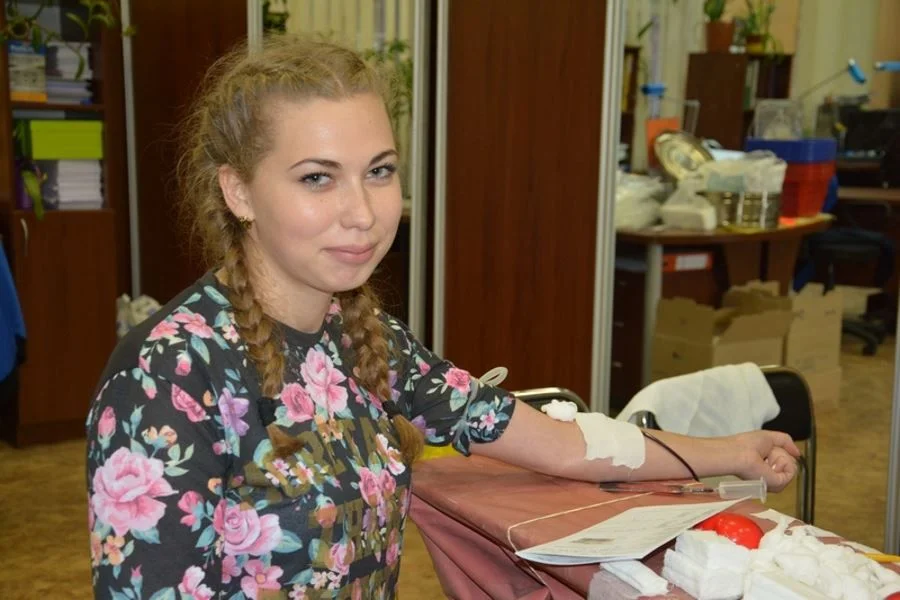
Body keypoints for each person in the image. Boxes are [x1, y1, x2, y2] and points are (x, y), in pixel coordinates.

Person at [85, 36, 799, 599]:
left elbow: (557, 444)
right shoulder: (168, 376)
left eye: (379, 171)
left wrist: (729, 451)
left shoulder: (359, 336)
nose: (363, 213)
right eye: (317, 178)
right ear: (238, 192)